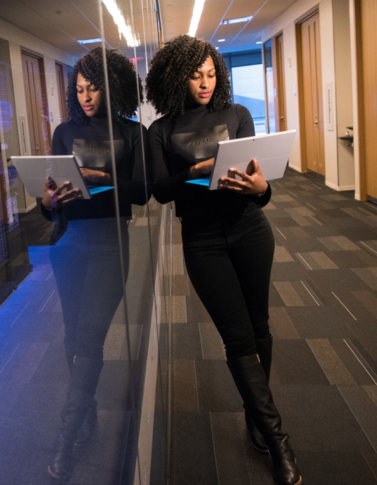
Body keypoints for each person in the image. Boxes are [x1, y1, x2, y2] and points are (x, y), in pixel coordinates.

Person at [145, 35, 301, 485]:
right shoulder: (161, 130)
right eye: (196, 75)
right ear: (177, 77)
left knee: (260, 328)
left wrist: (263, 189)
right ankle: (278, 441)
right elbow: (159, 191)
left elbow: (259, 184)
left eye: (212, 74)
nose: (206, 83)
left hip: (251, 230)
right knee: (237, 339)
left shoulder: (237, 115)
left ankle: (256, 415)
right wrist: (193, 172)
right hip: (202, 241)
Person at [40, 47, 149, 481]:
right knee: (72, 336)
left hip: (110, 245)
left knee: (89, 339)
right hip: (69, 242)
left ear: (111, 86)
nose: (86, 96)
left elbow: (143, 193)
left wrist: (104, 179)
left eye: (94, 88)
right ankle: (87, 416)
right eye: (80, 89)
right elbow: (49, 204)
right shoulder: (63, 132)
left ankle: (66, 439)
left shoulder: (131, 132)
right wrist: (48, 201)